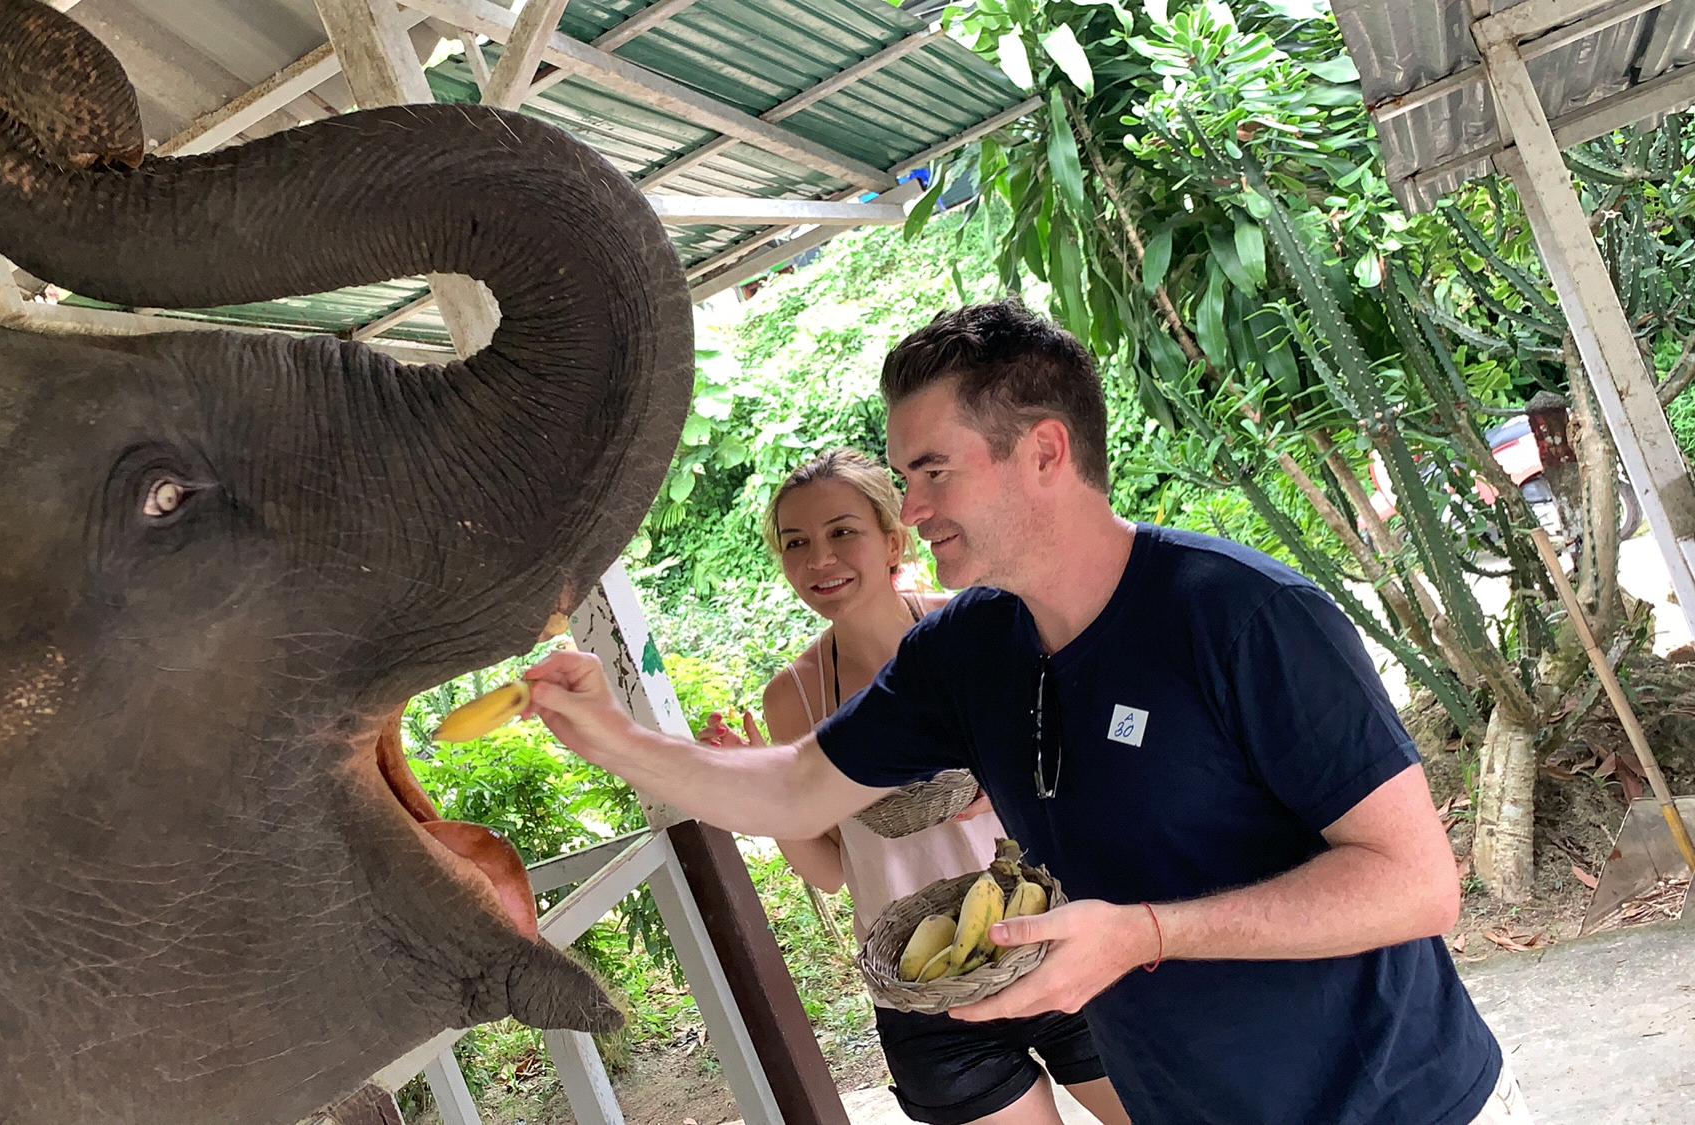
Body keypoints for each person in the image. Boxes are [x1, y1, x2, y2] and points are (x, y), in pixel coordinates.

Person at [525, 300, 1528, 1124]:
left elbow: (1413, 887)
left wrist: (1143, 933)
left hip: (1381, 1102)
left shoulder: (1242, 617)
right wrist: (615, 738)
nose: (909, 510)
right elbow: (795, 789)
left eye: (931, 471)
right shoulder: (966, 651)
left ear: (1043, 451)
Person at [695, 448, 1129, 1125]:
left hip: (1056, 938)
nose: (819, 559)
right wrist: (767, 792)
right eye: (796, 542)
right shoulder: (795, 697)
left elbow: (1087, 765)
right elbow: (833, 870)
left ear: (893, 539)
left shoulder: (986, 624)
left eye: (843, 531)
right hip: (930, 997)